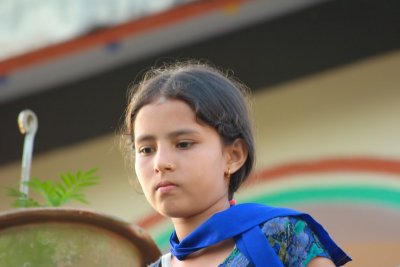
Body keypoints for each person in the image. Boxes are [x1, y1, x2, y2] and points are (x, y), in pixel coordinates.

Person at [121, 60, 351, 267]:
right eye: (146, 150)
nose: (160, 163)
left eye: (183, 144)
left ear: (233, 156)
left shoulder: (281, 235)